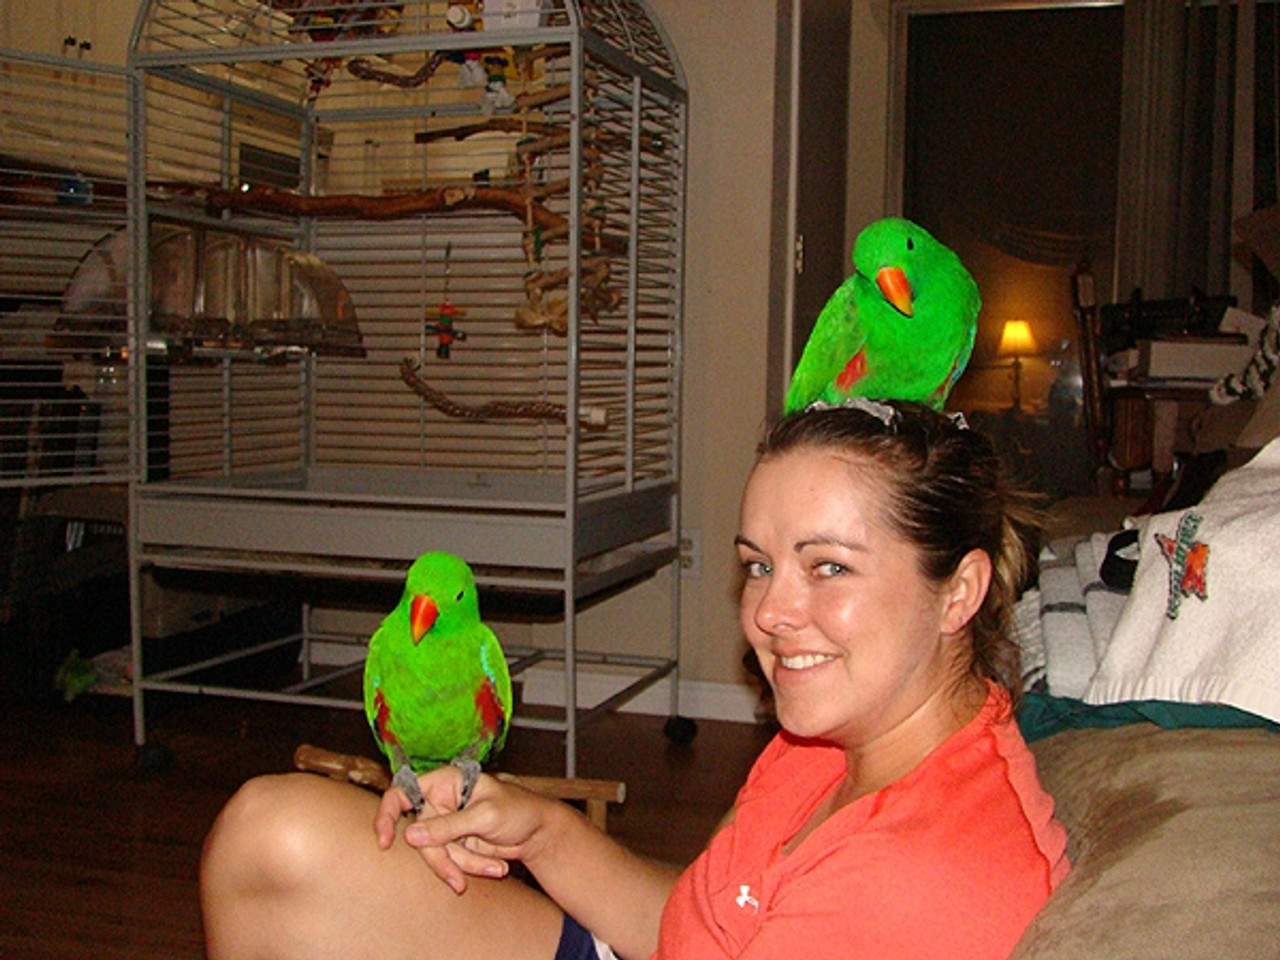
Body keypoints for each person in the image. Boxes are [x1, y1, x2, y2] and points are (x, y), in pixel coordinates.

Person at [200, 398, 1069, 960]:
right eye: (758, 566)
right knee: (268, 830)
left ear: (959, 591)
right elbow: (698, 919)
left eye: (829, 568)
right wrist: (535, 828)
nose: (769, 613)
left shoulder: (923, 876)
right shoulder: (843, 732)